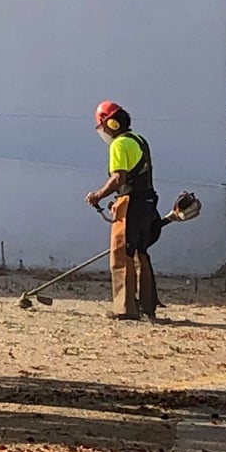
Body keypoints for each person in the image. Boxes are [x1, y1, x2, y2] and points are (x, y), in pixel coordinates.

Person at [85, 101, 160, 321]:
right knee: (141, 254)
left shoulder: (118, 144)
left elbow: (119, 178)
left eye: (103, 126)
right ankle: (147, 306)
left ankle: (125, 309)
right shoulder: (139, 140)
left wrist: (98, 195)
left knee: (122, 254)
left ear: (111, 123)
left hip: (132, 204)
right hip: (147, 202)